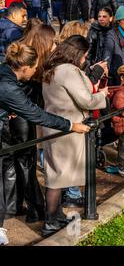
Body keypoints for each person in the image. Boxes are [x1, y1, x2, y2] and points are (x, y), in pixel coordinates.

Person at [0, 42, 90, 245]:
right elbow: (35, 114)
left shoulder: (4, 73)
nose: (35, 71)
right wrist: (70, 125)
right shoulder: (7, 85)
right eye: (34, 67)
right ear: (24, 67)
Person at [41, 36, 107, 237]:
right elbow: (86, 99)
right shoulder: (68, 71)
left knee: (56, 174)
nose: (84, 59)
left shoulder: (53, 67)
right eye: (84, 55)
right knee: (57, 178)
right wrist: (102, 95)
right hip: (69, 129)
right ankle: (50, 221)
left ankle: (56, 215)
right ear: (77, 53)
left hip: (55, 127)